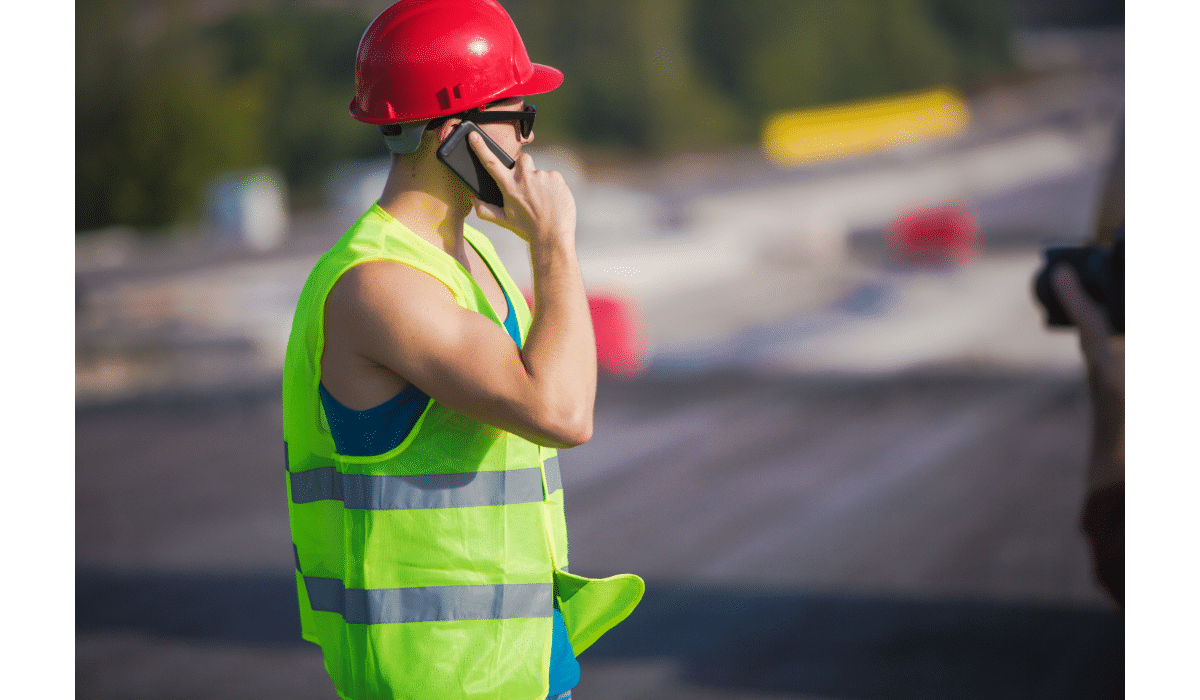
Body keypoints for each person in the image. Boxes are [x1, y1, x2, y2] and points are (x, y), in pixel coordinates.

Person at [281, 2, 644, 698]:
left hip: (521, 663)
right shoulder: (380, 285)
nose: (529, 143)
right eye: (522, 117)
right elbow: (563, 411)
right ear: (459, 132)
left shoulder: (470, 252)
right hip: (439, 678)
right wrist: (554, 244)